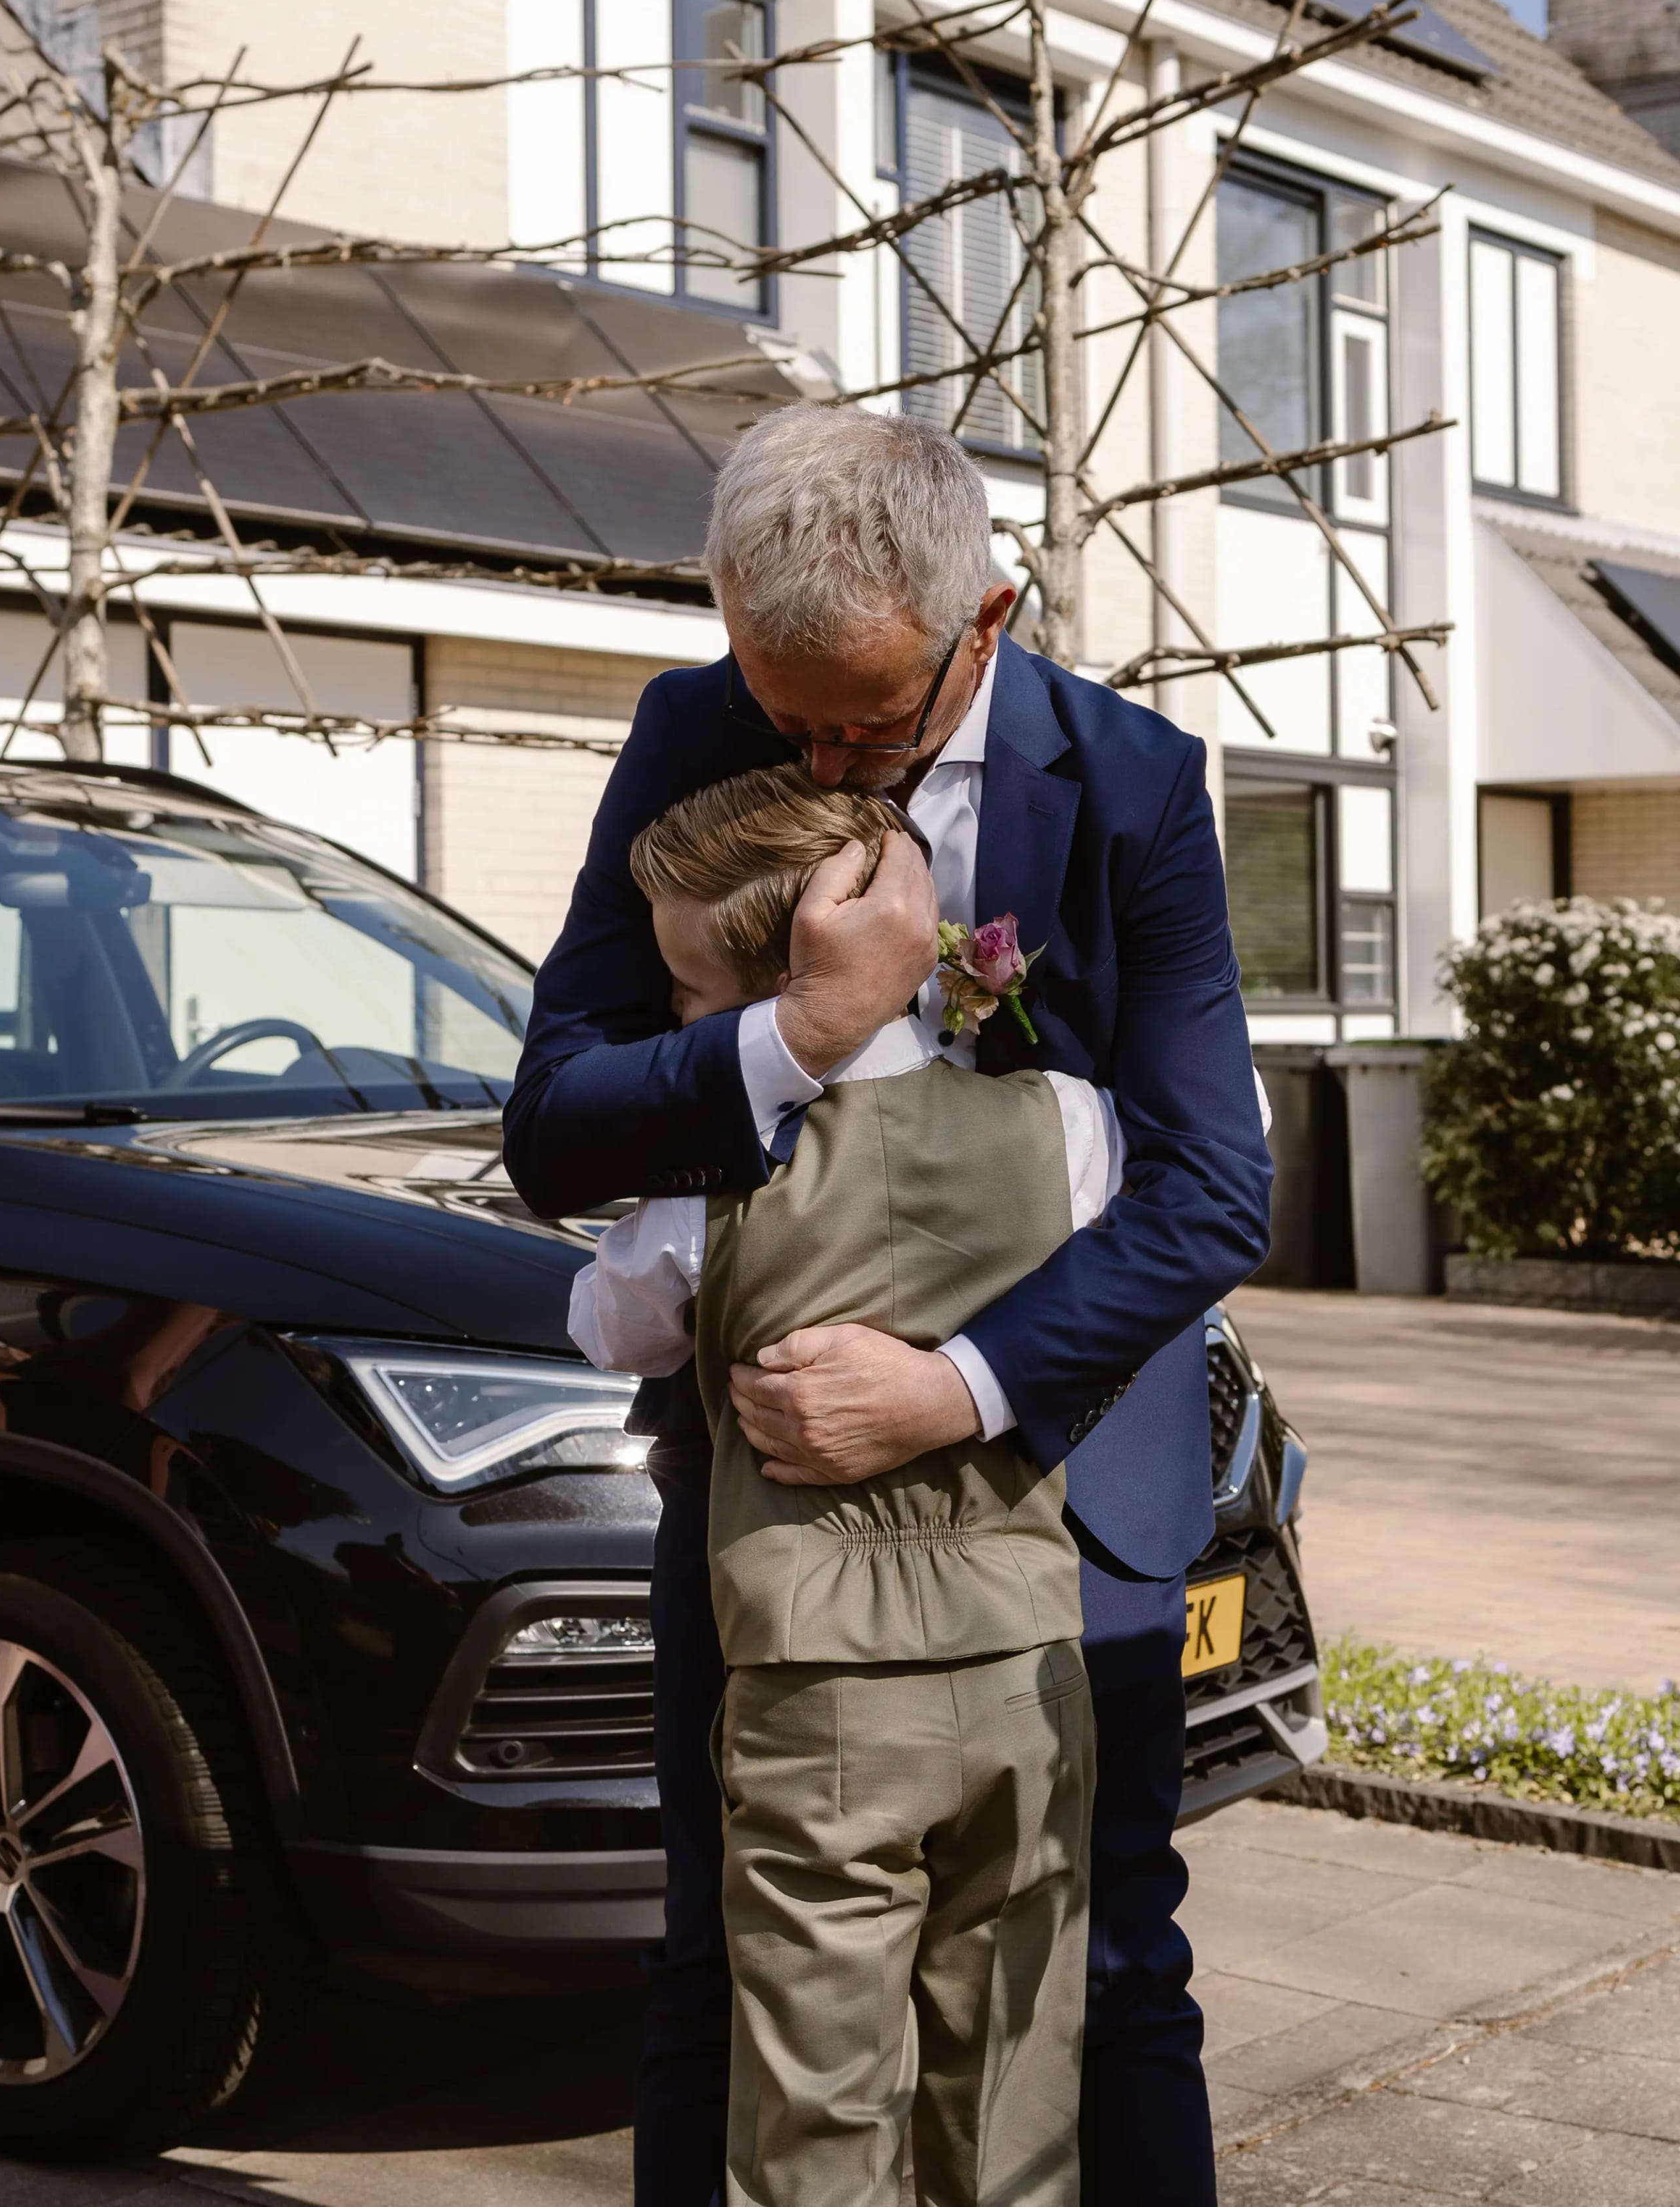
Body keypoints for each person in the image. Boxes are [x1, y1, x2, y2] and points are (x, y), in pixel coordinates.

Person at [504, 403, 1273, 2207]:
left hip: (1068, 1499)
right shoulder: (689, 731)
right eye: (791, 716)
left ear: (984, 621)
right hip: (767, 1525)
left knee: (1102, 1967)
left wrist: (963, 1386)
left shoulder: (1140, 783)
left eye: (869, 718)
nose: (831, 759)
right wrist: (798, 1038)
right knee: (729, 1960)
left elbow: (1211, 1186)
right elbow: (552, 1124)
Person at [568, 765, 1124, 2206]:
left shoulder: (713, 1182)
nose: (685, 1027)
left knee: (816, 2104)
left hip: (822, 1694)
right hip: (1022, 1662)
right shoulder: (1060, 1124)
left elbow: (606, 1323)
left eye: (695, 997)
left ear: (780, 993)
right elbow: (1205, 1138)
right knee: (1016, 2077)